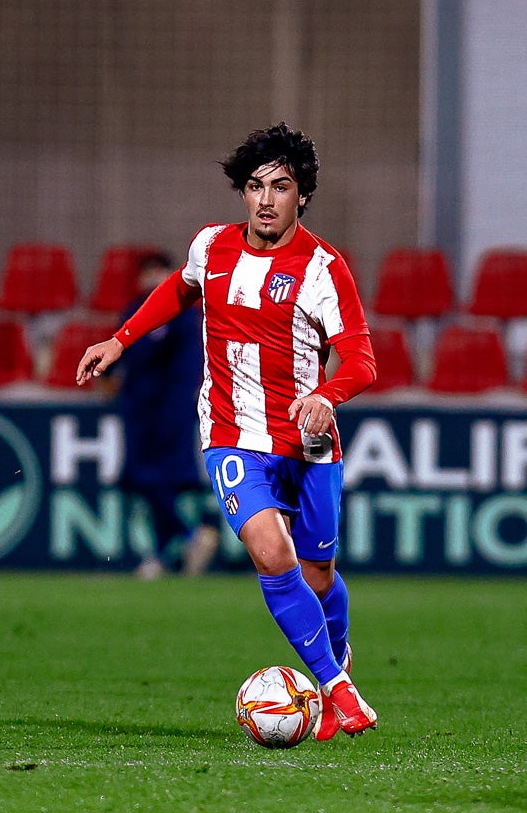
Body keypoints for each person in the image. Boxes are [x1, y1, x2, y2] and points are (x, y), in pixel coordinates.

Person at [77, 122, 379, 739]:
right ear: (242, 193)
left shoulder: (325, 268)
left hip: (308, 440)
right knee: (273, 554)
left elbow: (363, 360)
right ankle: (338, 691)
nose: (266, 199)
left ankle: (336, 659)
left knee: (319, 574)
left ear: (303, 196)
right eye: (254, 186)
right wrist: (120, 340)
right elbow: (177, 290)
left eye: (281, 186)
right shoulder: (211, 248)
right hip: (231, 434)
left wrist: (327, 392)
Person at [111, 250, 220, 580]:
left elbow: (181, 362)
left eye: (158, 271)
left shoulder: (181, 314)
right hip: (139, 409)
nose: (151, 278)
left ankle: (180, 543)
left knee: (155, 480)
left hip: (169, 410)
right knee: (146, 482)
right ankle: (174, 546)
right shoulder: (135, 309)